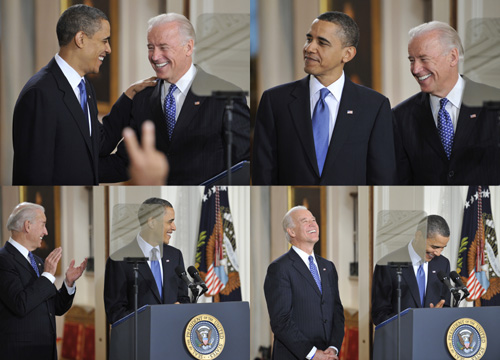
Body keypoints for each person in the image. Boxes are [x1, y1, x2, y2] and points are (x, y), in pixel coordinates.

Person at [12, 4, 155, 185]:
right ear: (80, 39)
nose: (109, 49)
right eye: (104, 40)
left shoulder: (84, 87)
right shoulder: (39, 94)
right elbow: (34, 174)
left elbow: (98, 145)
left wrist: (128, 98)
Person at [99, 13, 250, 185]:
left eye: (163, 47)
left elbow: (242, 166)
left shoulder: (226, 96)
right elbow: (126, 163)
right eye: (150, 47)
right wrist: (72, 170)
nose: (155, 56)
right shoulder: (142, 98)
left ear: (188, 47)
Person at [252, 11, 397, 185]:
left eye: (322, 42)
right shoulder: (274, 101)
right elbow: (263, 175)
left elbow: (382, 178)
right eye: (309, 39)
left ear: (347, 54)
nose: (309, 48)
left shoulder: (374, 106)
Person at [393, 21, 500, 184]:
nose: (415, 69)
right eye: (412, 60)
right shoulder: (399, 117)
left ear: (452, 57)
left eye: (423, 59)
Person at [0, 202, 87, 359]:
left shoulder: (39, 262)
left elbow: (56, 307)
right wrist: (47, 275)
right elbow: (20, 304)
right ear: (28, 226)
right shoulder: (3, 260)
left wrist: (68, 283)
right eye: (43, 225)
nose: (46, 232)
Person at [264, 206, 344, 360]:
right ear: (291, 232)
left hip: (328, 355)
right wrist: (313, 354)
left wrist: (333, 348)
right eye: (305, 221)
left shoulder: (329, 267)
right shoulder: (279, 268)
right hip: (295, 356)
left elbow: (337, 312)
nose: (313, 224)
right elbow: (281, 321)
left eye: (313, 220)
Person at [104, 197, 190, 324]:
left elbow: (183, 298)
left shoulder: (175, 255)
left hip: (172, 335)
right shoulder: (119, 261)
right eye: (170, 222)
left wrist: (180, 307)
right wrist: (154, 318)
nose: (174, 227)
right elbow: (115, 313)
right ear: (152, 223)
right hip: (139, 340)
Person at [371, 215, 451, 326]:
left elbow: (446, 306)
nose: (438, 253)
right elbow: (379, 314)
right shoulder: (387, 265)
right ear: (418, 236)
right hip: (401, 340)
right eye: (434, 247)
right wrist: (416, 321)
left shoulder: (443, 264)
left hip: (432, 337)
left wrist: (437, 316)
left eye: (442, 248)